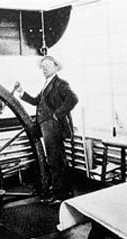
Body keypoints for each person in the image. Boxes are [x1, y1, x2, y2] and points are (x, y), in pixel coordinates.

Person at [16, 55, 78, 205]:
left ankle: (60, 194)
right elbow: (37, 101)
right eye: (42, 67)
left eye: (47, 66)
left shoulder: (60, 83)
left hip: (52, 125)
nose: (44, 69)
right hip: (45, 125)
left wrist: (57, 114)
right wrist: (21, 92)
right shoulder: (47, 84)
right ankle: (63, 191)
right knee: (56, 159)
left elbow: (73, 99)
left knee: (55, 160)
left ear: (56, 67)